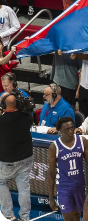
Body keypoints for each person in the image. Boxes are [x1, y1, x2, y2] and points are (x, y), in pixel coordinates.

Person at [47, 117, 88, 221]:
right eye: (67, 129)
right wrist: (50, 198)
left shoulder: (82, 141)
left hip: (79, 186)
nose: (71, 131)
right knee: (68, 218)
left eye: (72, 128)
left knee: (77, 216)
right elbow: (51, 173)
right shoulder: (54, 147)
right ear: (60, 131)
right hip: (64, 188)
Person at [0, 91, 34, 221]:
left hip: (8, 160)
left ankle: (8, 215)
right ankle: (24, 217)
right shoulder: (27, 117)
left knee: (1, 182)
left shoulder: (2, 120)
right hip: (26, 157)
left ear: (3, 105)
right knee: (24, 186)